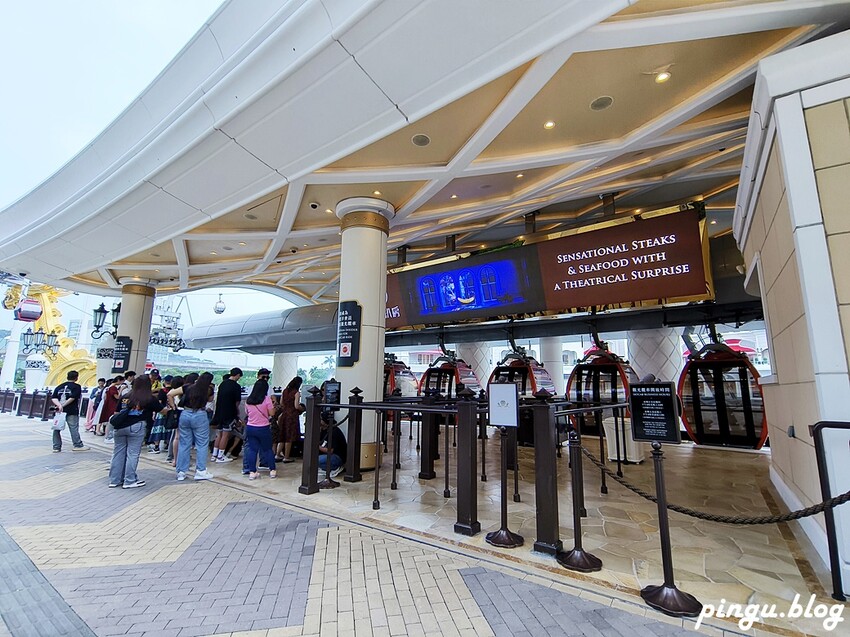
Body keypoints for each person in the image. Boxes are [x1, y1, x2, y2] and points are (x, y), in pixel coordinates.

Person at [108, 374, 165, 489]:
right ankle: (129, 480)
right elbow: (163, 411)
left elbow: (116, 413)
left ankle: (115, 480)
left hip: (119, 427)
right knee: (132, 454)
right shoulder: (149, 398)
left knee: (118, 453)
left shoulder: (125, 396)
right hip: (136, 426)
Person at [175, 372, 215, 481]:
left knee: (184, 443)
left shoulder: (188, 387)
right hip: (200, 415)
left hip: (185, 414)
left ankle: (181, 472)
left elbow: (170, 393)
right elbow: (210, 400)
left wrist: (173, 407)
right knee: (202, 444)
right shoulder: (209, 389)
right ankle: (200, 471)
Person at [244, 378, 276, 480]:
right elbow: (272, 413)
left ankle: (252, 472)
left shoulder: (248, 400)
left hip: (250, 427)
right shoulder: (267, 399)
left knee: (252, 450)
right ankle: (272, 470)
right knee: (267, 449)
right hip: (263, 428)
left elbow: (247, 413)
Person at [51, 370, 89, 452]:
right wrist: (63, 405)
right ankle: (77, 445)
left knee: (57, 427)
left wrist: (59, 405)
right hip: (71, 410)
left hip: (59, 411)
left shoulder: (60, 386)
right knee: (73, 428)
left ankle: (56, 447)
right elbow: (72, 398)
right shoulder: (77, 386)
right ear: (76, 378)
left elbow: (54, 397)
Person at [211, 368, 243, 463]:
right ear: (237, 375)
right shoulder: (236, 386)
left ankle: (214, 454)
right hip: (229, 413)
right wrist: (236, 413)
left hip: (219, 412)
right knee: (226, 435)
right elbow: (237, 402)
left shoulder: (222, 384)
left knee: (219, 434)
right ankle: (221, 456)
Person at [276, 376, 304, 463]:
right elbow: (296, 406)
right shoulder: (296, 393)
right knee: (289, 437)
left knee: (282, 435)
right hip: (292, 416)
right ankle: (286, 457)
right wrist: (302, 408)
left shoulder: (285, 391)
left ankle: (277, 455)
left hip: (284, 415)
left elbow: (281, 403)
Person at [318, 411, 346, 478]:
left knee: (316, 460)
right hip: (328, 455)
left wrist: (317, 447)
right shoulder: (324, 430)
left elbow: (330, 450)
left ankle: (336, 468)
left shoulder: (334, 432)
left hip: (337, 457)